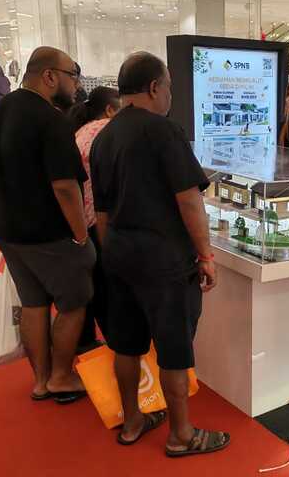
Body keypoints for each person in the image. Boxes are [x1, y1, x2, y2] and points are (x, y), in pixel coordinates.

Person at [90, 52, 228, 454]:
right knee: (173, 349)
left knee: (126, 345)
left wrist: (112, 254)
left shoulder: (104, 137)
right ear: (154, 87)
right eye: (168, 86)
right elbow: (189, 200)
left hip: (118, 255)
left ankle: (132, 419)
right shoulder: (164, 131)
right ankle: (181, 435)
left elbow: (101, 212)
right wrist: (206, 255)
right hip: (164, 260)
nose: (170, 94)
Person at [0, 46, 95, 404]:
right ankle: (61, 376)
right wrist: (81, 236)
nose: (76, 85)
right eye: (72, 76)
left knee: (33, 304)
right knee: (73, 303)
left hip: (8, 228)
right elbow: (65, 186)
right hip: (50, 234)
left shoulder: (2, 109)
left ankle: (42, 380)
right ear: (50, 76)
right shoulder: (50, 120)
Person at [68, 86, 121, 350]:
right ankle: (119, 345)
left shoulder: (82, 131)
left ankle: (86, 342)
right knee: (106, 288)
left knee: (90, 286)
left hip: (82, 219)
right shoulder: (108, 130)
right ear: (110, 109)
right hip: (100, 221)